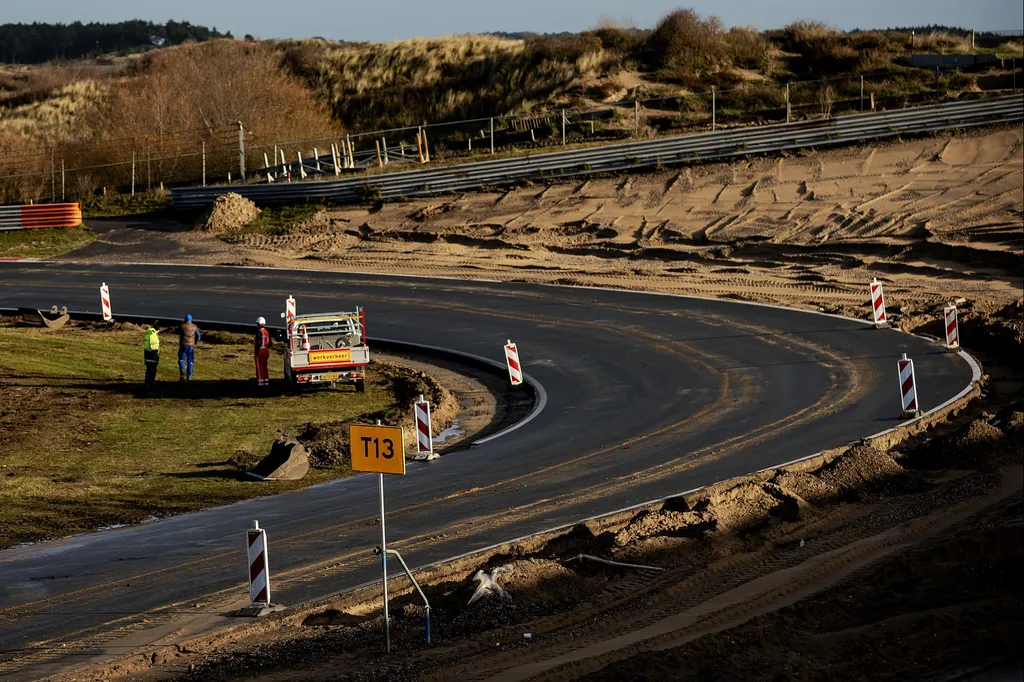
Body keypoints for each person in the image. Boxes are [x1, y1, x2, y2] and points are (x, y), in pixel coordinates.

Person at [177, 314, 201, 381]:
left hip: (183, 345)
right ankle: (189, 376)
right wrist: (194, 343)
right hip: (191, 346)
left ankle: (182, 372)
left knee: (181, 359)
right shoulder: (194, 327)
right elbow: (199, 336)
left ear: (185, 319)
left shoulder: (182, 326)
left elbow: (177, 331)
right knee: (190, 361)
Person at [254, 316, 271, 387]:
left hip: (260, 351)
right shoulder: (266, 332)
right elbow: (270, 343)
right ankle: (266, 381)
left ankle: (260, 382)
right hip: (266, 351)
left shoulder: (259, 332)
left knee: (259, 367)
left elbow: (258, 342)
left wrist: (256, 352)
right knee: (265, 367)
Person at [143, 323, 160, 389]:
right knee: (153, 370)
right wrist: (157, 355)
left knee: (148, 369)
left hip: (146, 354)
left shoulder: (148, 334)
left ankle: (147, 382)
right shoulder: (153, 335)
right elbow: (154, 347)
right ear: (157, 330)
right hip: (152, 355)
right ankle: (151, 383)